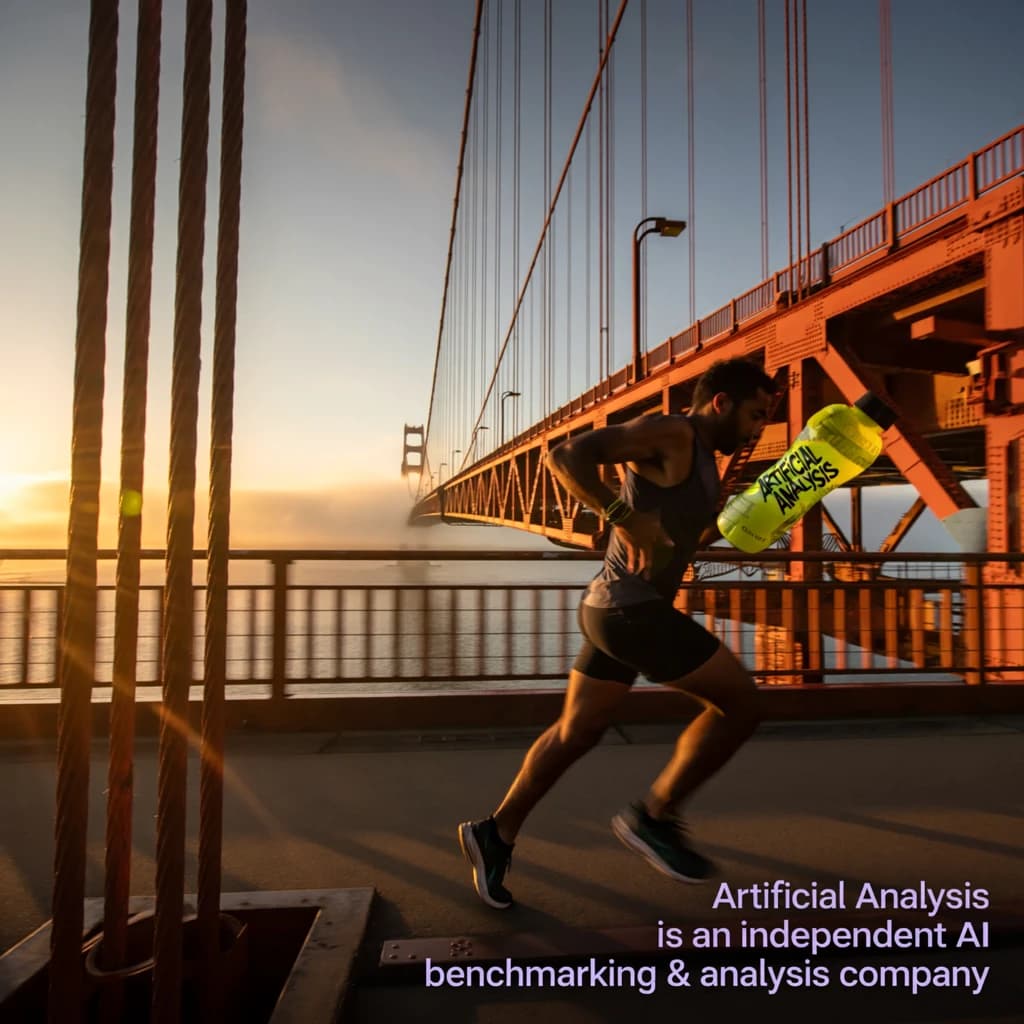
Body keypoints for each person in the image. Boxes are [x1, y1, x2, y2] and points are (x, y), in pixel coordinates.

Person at [458, 357, 777, 909]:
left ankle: (494, 832)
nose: (758, 430)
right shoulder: (675, 431)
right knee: (741, 706)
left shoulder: (702, 462)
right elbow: (565, 455)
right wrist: (618, 515)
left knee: (576, 732)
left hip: (613, 609)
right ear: (720, 402)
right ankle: (653, 817)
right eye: (754, 415)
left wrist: (736, 525)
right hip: (633, 613)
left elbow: (676, 535)